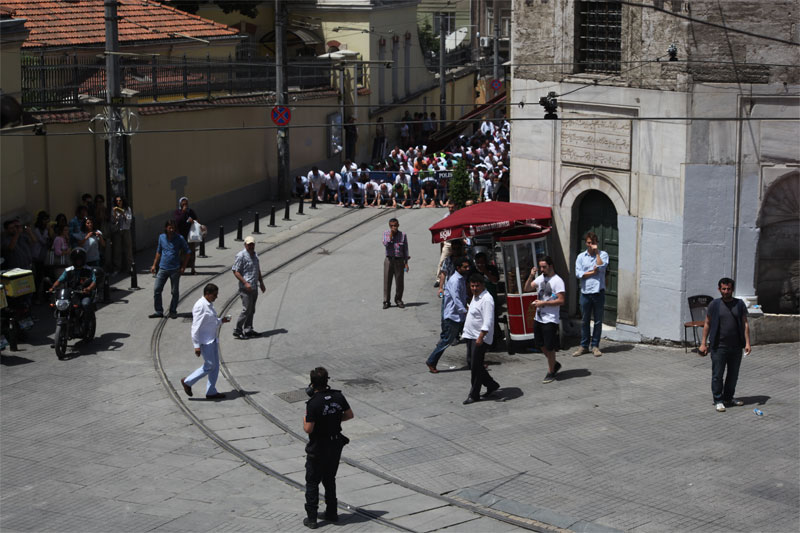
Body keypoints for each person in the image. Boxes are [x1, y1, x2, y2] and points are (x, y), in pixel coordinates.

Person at [302, 367, 354, 529]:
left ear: (312, 384)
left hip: (318, 447)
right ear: (327, 381)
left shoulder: (313, 403)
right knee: (329, 479)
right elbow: (349, 415)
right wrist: (333, 420)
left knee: (312, 482)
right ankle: (332, 512)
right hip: (334, 444)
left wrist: (305, 417)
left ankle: (312, 518)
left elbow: (308, 428)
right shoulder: (338, 396)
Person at [699, 278, 752, 412]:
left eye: (728, 289)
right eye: (723, 289)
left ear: (732, 289)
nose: (726, 291)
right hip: (718, 346)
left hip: (736, 347)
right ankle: (718, 400)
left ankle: (728, 398)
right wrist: (703, 343)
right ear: (719, 289)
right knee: (718, 374)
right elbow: (707, 324)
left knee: (733, 375)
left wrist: (747, 343)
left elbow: (745, 323)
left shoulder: (739, 304)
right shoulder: (714, 305)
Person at [180, 283, 229, 400]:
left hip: (212, 340)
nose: (216, 297)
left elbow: (210, 321)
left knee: (215, 367)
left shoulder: (209, 304)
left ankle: (211, 391)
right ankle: (187, 382)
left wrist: (221, 321)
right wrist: (196, 345)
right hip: (204, 342)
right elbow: (195, 327)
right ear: (207, 294)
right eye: (214, 295)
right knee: (209, 366)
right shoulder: (200, 306)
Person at [524, 256, 566, 384]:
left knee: (549, 346)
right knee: (540, 344)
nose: (542, 270)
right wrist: (531, 275)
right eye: (540, 267)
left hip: (550, 319)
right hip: (539, 317)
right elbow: (527, 288)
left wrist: (544, 303)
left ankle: (551, 371)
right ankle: (554, 364)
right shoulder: (541, 278)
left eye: (544, 267)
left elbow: (561, 300)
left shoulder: (557, 281)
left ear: (551, 266)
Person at [426, 257, 469, 373]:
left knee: (470, 337)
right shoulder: (455, 280)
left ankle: (473, 361)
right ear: (458, 268)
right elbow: (456, 299)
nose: (467, 269)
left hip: (458, 315)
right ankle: (432, 361)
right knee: (447, 340)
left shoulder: (460, 279)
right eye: (465, 267)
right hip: (453, 316)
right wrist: (465, 310)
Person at [462, 274, 500, 404]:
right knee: (472, 363)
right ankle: (491, 384)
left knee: (475, 367)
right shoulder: (475, 296)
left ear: (482, 285)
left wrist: (481, 337)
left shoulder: (487, 299)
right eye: (472, 286)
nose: (474, 288)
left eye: (477, 285)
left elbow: (488, 320)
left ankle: (474, 394)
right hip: (470, 335)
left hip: (479, 337)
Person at [573, 232, 609, 357]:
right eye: (589, 243)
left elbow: (601, 266)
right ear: (585, 243)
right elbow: (579, 274)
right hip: (585, 293)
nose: (590, 245)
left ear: (596, 243)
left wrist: (597, 252)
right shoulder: (581, 257)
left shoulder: (603, 254)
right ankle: (584, 346)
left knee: (598, 321)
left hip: (598, 292)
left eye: (593, 243)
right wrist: (592, 273)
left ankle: (595, 346)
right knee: (585, 321)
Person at [149, 219, 191, 319]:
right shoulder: (161, 237)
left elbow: (188, 252)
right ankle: (159, 311)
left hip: (175, 269)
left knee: (174, 292)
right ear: (166, 228)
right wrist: (154, 265)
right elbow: (158, 252)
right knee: (157, 289)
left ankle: (173, 311)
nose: (171, 229)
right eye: (170, 227)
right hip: (162, 268)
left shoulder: (180, 238)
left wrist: (183, 267)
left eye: (173, 228)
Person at [231, 236, 266, 339]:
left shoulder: (255, 255)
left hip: (254, 287)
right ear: (245, 245)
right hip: (245, 288)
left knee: (252, 309)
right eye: (249, 244)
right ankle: (238, 330)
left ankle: (248, 329)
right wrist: (245, 283)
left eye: (252, 244)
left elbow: (257, 269)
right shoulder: (241, 256)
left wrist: (261, 283)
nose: (251, 246)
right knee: (246, 309)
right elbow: (235, 271)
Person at [48, 248, 96, 318]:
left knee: (85, 304)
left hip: (83, 294)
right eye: (76, 259)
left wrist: (88, 288)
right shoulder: (68, 270)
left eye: (80, 259)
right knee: (60, 304)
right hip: (70, 294)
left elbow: (94, 281)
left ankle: (86, 324)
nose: (78, 261)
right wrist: (53, 287)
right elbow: (59, 280)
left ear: (83, 259)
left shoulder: (88, 270)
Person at [382, 218, 409, 309]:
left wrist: (406, 263)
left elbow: (405, 249)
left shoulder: (403, 235)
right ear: (389, 226)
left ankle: (398, 299)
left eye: (395, 225)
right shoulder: (386, 233)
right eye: (391, 226)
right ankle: (386, 301)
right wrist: (391, 235)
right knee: (387, 281)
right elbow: (385, 244)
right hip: (389, 260)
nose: (394, 227)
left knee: (399, 282)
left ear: (398, 225)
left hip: (399, 260)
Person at [174, 197, 200, 275]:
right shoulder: (177, 212)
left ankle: (192, 269)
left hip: (190, 235)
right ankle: (180, 268)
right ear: (180, 204)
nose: (185, 205)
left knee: (192, 252)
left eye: (186, 204)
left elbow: (197, 220)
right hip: (181, 236)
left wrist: (193, 221)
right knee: (181, 253)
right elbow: (178, 221)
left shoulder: (191, 211)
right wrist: (183, 212)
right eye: (183, 204)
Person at [110, 196, 133, 274]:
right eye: (117, 201)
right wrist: (114, 213)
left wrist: (123, 213)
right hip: (117, 230)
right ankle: (117, 268)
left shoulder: (127, 209)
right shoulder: (114, 209)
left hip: (126, 230)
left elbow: (129, 221)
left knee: (128, 249)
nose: (118, 202)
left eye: (120, 200)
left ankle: (130, 267)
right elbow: (113, 221)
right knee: (117, 250)